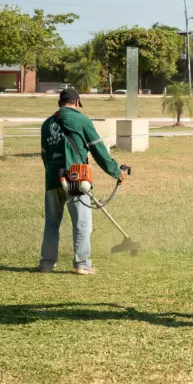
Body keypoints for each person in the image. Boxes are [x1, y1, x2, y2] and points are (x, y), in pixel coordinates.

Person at [38, 88, 128, 275]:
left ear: (60, 102)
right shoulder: (82, 120)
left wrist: (53, 172)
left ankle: (46, 264)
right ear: (77, 102)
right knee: (82, 223)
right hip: (76, 179)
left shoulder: (46, 124)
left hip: (52, 178)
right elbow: (98, 150)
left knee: (52, 224)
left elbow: (45, 154)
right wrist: (115, 171)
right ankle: (82, 264)